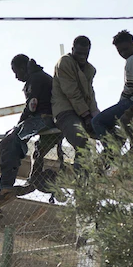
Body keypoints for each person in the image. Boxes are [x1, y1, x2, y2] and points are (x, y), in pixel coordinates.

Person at [0, 54, 55, 228]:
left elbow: (32, 106)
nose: (16, 76)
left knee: (8, 142)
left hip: (44, 118)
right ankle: (13, 186)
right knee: (15, 141)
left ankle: (6, 187)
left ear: (23, 68)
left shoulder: (35, 79)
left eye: (16, 72)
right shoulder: (39, 77)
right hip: (48, 118)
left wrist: (19, 126)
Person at [90, 31, 133, 139]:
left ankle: (113, 146)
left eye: (125, 49)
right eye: (120, 51)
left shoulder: (132, 60)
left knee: (97, 121)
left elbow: (129, 88)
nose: (123, 53)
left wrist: (120, 103)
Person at [52, 35, 99, 175]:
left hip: (84, 113)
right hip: (65, 111)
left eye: (85, 54)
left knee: (112, 135)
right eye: (79, 53)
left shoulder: (89, 69)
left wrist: (96, 116)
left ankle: (100, 170)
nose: (82, 57)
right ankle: (81, 182)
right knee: (81, 143)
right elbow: (71, 92)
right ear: (73, 50)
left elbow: (90, 95)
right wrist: (87, 115)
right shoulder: (65, 63)